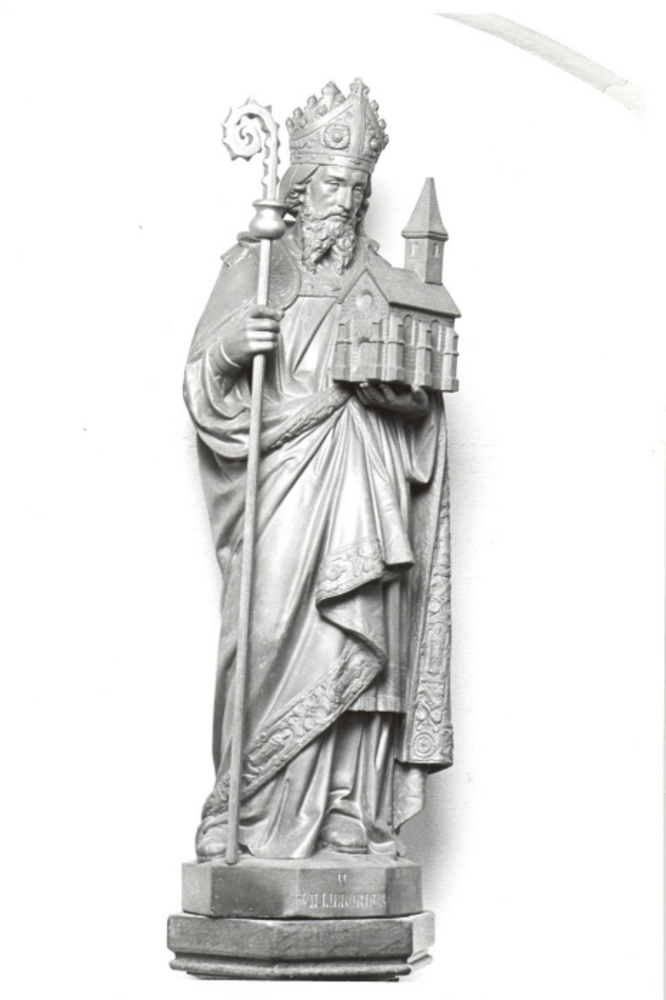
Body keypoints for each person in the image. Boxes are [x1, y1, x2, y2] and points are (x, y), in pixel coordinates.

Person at [183, 79, 453, 861]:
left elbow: (421, 400)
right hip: (285, 483)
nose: (350, 201)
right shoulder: (256, 263)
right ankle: (250, 807)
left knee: (362, 631)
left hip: (367, 481)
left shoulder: (385, 276)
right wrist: (233, 348)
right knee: (267, 631)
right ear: (300, 189)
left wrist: (404, 398)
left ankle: (346, 809)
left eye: (359, 188)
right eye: (335, 184)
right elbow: (202, 384)